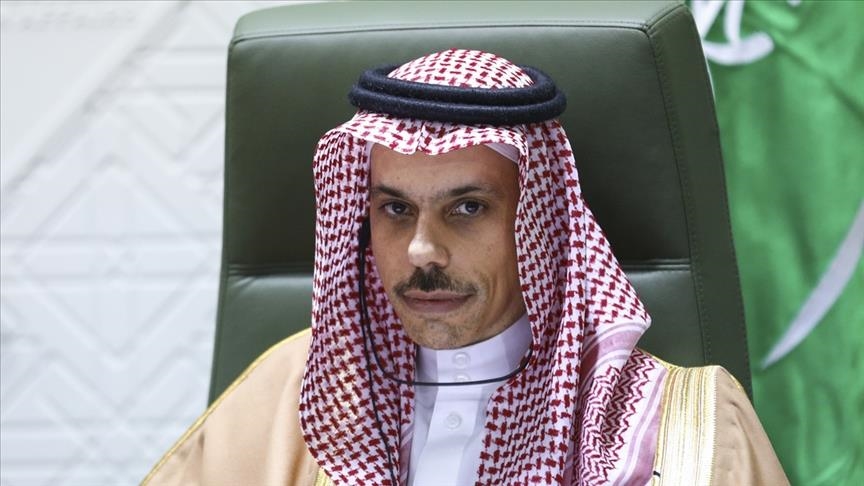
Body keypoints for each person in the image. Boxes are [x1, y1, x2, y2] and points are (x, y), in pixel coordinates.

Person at [142, 49, 787, 485]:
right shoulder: (291, 393)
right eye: (395, 209)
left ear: (540, 226)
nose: (422, 250)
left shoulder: (687, 425)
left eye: (468, 207)